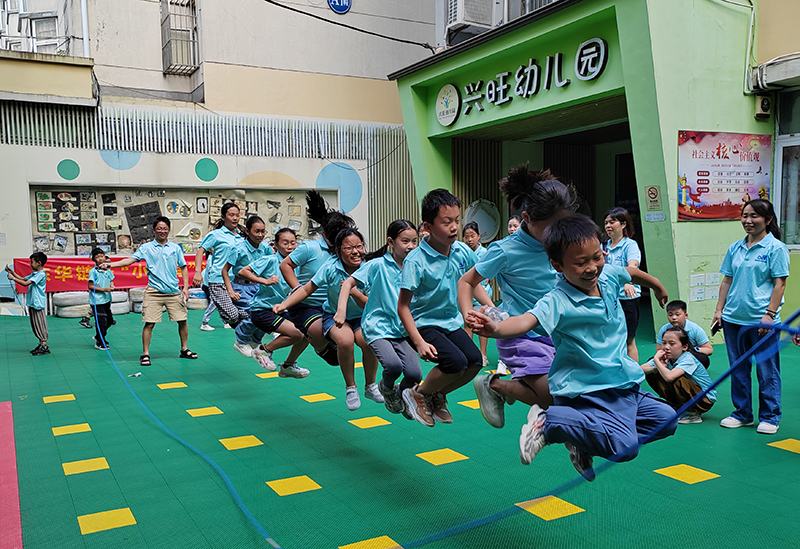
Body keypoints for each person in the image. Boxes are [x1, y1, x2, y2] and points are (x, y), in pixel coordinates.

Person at [468, 214, 675, 481]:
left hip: (622, 384)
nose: (592, 268)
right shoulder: (558, 300)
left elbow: (631, 273)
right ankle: (549, 423)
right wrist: (496, 329)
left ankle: (582, 438)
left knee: (666, 419)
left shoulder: (608, 276)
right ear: (557, 265)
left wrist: (657, 285)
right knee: (625, 447)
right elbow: (527, 320)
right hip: (587, 390)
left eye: (596, 257)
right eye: (580, 263)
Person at [458, 167, 577, 429]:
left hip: (557, 332)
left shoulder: (561, 242)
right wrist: (470, 315)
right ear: (526, 218)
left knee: (575, 391)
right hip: (521, 335)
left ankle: (518, 384)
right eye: (550, 228)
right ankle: (493, 385)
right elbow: (466, 281)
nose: (557, 232)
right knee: (551, 396)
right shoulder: (505, 250)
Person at [399, 189, 491, 427]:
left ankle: (436, 394)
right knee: (455, 363)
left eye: (457, 221)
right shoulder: (415, 261)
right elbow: (403, 307)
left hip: (449, 322)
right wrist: (418, 341)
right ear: (427, 227)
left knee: (474, 362)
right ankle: (417, 393)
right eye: (446, 222)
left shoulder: (461, 251)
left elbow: (472, 283)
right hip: (423, 324)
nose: (454, 227)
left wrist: (491, 308)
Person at [275, 227, 382, 410]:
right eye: (348, 248)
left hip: (361, 316)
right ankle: (351, 387)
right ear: (338, 250)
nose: (355, 251)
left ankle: (370, 386)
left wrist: (354, 292)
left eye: (358, 246)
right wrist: (284, 304)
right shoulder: (331, 267)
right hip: (334, 316)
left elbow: (369, 304)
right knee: (345, 341)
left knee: (369, 342)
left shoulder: (369, 268)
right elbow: (307, 289)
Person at [713, 198, 789, 435]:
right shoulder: (735, 247)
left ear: (767, 219)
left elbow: (779, 284)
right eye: (745, 215)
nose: (748, 220)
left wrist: (769, 314)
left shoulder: (776, 248)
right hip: (733, 319)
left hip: (761, 321)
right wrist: (719, 311)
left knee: (767, 370)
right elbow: (727, 280)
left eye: (754, 216)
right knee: (738, 369)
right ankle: (742, 414)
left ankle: (770, 417)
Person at [339, 220, 421, 417]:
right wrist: (341, 310)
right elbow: (348, 283)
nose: (411, 246)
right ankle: (387, 388)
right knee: (393, 366)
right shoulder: (377, 265)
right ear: (390, 242)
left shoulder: (416, 267)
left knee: (414, 374)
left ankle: (403, 395)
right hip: (377, 327)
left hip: (401, 329)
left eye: (414, 241)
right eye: (405, 241)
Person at [107, 217, 197, 366]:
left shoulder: (175, 248)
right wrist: (110, 265)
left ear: (169, 230)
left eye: (165, 228)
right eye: (159, 228)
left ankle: (184, 349)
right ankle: (145, 354)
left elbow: (183, 267)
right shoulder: (146, 248)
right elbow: (130, 260)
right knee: (149, 324)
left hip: (173, 291)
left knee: (182, 321)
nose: (162, 231)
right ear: (154, 230)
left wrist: (186, 288)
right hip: (154, 291)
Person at [279, 191, 354, 366]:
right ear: (326, 233)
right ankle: (320, 347)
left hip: (330, 306)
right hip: (306, 305)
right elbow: (285, 265)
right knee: (317, 331)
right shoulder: (310, 248)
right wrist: (297, 288)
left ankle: (290, 363)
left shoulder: (343, 251)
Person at [237, 230, 310, 379]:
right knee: (296, 334)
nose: (289, 246)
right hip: (262, 310)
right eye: (285, 243)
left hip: (282, 309)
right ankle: (263, 350)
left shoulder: (297, 264)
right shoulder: (270, 260)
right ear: (276, 245)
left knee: (309, 332)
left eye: (293, 243)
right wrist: (265, 281)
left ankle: (288, 366)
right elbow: (243, 271)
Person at [641, 327, 716, 424]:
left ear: (684, 347)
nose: (666, 347)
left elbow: (670, 377)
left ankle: (692, 413)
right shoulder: (667, 356)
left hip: (704, 399)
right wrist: (655, 367)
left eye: (672, 343)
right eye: (664, 343)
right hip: (692, 394)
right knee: (651, 373)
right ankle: (677, 405)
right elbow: (641, 369)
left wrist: (656, 361)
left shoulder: (688, 358)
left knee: (677, 378)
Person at [222, 215, 273, 357]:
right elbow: (224, 271)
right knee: (257, 313)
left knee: (268, 313)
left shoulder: (265, 248)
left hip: (259, 286)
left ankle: (255, 340)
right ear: (247, 231)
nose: (260, 235)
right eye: (257, 231)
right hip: (241, 287)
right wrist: (231, 291)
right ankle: (241, 339)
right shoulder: (238, 249)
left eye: (263, 231)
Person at [193, 203, 248, 328]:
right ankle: (222, 318)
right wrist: (197, 272)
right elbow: (201, 251)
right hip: (218, 280)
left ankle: (243, 334)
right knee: (233, 315)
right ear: (223, 217)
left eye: (237, 215)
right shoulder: (215, 234)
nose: (235, 218)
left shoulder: (242, 237)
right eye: (231, 215)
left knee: (249, 312)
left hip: (236, 280)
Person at [603, 207, 642, 362]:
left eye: (612, 222)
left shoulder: (630, 245)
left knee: (629, 340)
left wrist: (627, 282)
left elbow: (633, 266)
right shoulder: (603, 246)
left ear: (623, 224)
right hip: (608, 298)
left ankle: (634, 375)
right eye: (606, 223)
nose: (608, 226)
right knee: (611, 339)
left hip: (627, 299)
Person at [6, 252, 50, 355]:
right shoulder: (35, 274)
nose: (30, 264)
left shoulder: (40, 274)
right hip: (33, 302)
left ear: (39, 263)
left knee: (40, 324)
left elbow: (25, 283)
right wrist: (12, 273)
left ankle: (44, 345)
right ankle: (41, 343)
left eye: (32, 262)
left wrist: (13, 279)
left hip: (38, 303)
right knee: (35, 324)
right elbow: (23, 278)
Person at [462, 220, 493, 366]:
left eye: (472, 236)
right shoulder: (463, 252)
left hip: (482, 292)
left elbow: (491, 270)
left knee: (482, 323)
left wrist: (489, 276)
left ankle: (483, 354)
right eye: (466, 237)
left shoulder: (485, 253)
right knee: (468, 323)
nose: (469, 239)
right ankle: (468, 354)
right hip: (467, 293)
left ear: (479, 236)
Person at [655, 300, 713, 367]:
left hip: (690, 356)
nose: (674, 318)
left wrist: (692, 350)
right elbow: (659, 349)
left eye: (677, 314)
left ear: (686, 315)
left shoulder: (695, 329)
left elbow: (709, 350)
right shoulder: (664, 329)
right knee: (652, 360)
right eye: (670, 315)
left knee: (703, 359)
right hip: (671, 356)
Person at [88, 247, 115, 350]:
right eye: (97, 257)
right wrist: (104, 289)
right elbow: (90, 286)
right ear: (94, 259)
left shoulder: (107, 270)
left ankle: (98, 336)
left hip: (106, 299)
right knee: (101, 322)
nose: (100, 258)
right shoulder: (93, 272)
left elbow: (111, 279)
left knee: (109, 321)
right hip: (97, 301)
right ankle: (100, 342)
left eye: (102, 256)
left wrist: (112, 286)